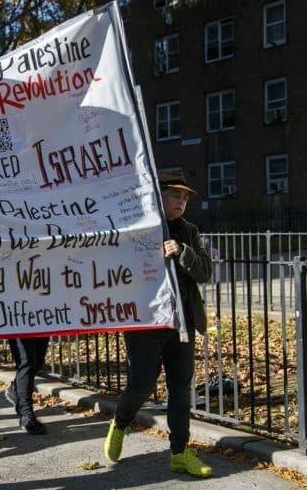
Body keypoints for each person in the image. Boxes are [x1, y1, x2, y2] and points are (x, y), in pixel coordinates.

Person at [104, 170, 213, 478]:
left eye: (185, 198)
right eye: (174, 195)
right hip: (145, 320)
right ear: (159, 196)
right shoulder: (137, 226)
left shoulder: (188, 231)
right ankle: (120, 423)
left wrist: (183, 253)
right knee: (142, 384)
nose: (181, 202)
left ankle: (179, 452)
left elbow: (206, 271)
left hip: (181, 322)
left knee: (180, 388)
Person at [4, 337, 49, 434]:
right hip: (18, 325)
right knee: (27, 362)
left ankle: (15, 390)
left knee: (38, 359)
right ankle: (26, 414)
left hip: (40, 324)